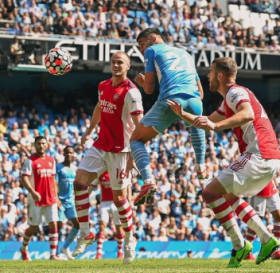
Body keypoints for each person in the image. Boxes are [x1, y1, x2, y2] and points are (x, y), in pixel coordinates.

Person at [167, 57, 280, 268]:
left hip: (259, 155)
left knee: (209, 193)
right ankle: (263, 240)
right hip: (268, 157)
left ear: (219, 75)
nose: (208, 77)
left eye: (210, 73)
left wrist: (215, 127)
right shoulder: (230, 99)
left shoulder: (235, 92)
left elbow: (246, 115)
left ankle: (243, 244)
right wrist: (183, 114)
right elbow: (208, 121)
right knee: (228, 195)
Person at [71, 51, 144, 264]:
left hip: (121, 149)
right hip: (101, 144)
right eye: (113, 62)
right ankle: (86, 233)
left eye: (120, 62)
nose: (116, 65)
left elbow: (140, 125)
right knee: (79, 184)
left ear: (128, 66)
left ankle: (129, 239)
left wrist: (134, 154)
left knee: (120, 199)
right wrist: (88, 131)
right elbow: (99, 107)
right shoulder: (103, 85)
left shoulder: (132, 92)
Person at [131, 27, 206, 206]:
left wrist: (142, 83)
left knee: (135, 140)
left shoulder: (152, 50)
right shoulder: (185, 54)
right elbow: (201, 93)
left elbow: (149, 89)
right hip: (195, 100)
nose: (142, 50)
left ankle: (148, 181)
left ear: (154, 38)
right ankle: (201, 166)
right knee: (196, 122)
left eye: (142, 44)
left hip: (170, 100)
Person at [20, 136, 63, 261]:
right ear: (35, 145)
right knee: (33, 227)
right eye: (39, 143)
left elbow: (53, 179)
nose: (41, 146)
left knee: (53, 223)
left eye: (43, 143)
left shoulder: (51, 160)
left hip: (50, 198)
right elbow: (24, 178)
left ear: (47, 144)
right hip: (36, 200)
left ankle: (53, 254)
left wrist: (57, 197)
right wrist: (33, 192)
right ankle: (23, 248)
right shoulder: (30, 161)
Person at [90, 171, 128, 259]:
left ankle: (120, 251)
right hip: (104, 203)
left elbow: (126, 185)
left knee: (119, 228)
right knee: (102, 226)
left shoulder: (117, 172)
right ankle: (99, 252)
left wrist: (127, 199)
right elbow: (92, 185)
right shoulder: (101, 173)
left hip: (116, 203)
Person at [245, 180, 280, 260]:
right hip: (258, 188)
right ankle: (246, 251)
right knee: (256, 220)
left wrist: (274, 181)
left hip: (271, 187)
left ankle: (276, 251)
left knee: (278, 217)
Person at [56, 146, 79, 260]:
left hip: (71, 201)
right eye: (67, 153)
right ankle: (54, 252)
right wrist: (56, 199)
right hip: (60, 200)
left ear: (73, 154)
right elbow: (54, 184)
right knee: (57, 225)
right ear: (64, 154)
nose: (69, 155)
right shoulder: (58, 167)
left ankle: (65, 248)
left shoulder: (75, 168)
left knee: (77, 225)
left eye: (71, 153)